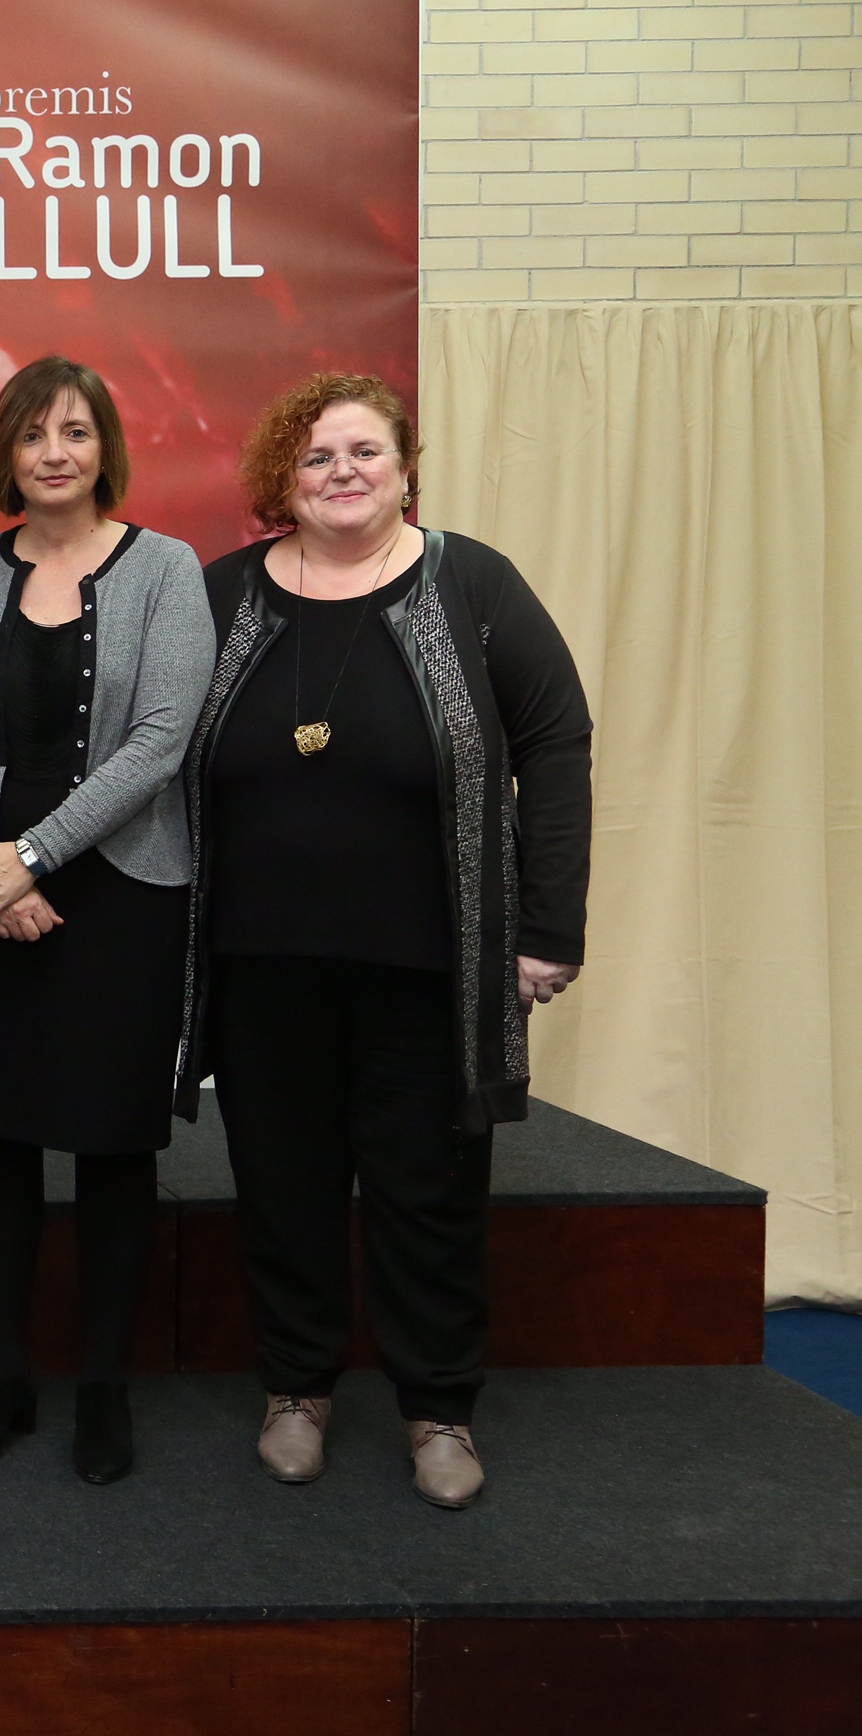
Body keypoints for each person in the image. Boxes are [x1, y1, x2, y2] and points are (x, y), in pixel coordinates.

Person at [181, 372, 590, 1511]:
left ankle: (439, 1409)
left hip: (432, 968)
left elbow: (556, 742)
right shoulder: (223, 595)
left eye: (365, 451)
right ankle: (296, 1391)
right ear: (284, 479)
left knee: (430, 1195)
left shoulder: (474, 584)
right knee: (283, 1188)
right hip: (261, 964)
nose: (342, 472)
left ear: (407, 468)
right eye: (316, 456)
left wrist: (549, 923)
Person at [0, 356, 215, 1486]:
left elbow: (162, 739)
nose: (54, 452)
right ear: (7, 450)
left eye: (76, 432)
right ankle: (2, 1377)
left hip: (119, 892)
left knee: (111, 1147)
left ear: (104, 450)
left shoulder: (166, 569)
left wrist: (35, 856)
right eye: (34, 433)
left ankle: (102, 1386)